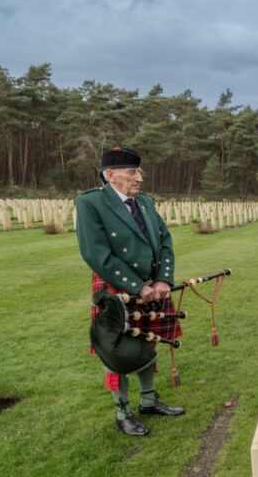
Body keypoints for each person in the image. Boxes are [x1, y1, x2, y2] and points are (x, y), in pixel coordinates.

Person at [76, 146, 185, 436]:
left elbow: (164, 241)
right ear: (110, 175)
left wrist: (163, 279)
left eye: (139, 172)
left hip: (152, 284)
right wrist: (137, 287)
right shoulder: (91, 203)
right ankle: (122, 412)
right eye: (132, 172)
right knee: (116, 349)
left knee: (149, 339)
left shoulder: (145, 202)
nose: (139, 178)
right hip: (117, 286)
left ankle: (148, 401)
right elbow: (96, 253)